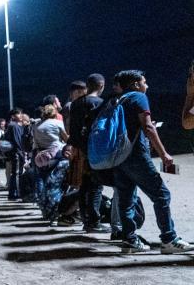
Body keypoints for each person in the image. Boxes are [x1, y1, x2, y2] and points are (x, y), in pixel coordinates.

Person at [110, 70, 193, 253]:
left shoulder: (117, 101)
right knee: (161, 195)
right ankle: (169, 239)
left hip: (118, 158)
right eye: (144, 82)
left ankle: (129, 240)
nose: (147, 86)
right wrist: (163, 154)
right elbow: (147, 126)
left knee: (126, 200)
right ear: (135, 84)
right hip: (136, 156)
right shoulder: (138, 98)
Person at [67, 73, 108, 232]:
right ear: (101, 86)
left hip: (80, 150)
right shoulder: (100, 103)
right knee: (96, 187)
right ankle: (93, 222)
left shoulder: (75, 104)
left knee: (84, 186)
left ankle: (85, 219)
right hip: (95, 150)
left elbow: (72, 129)